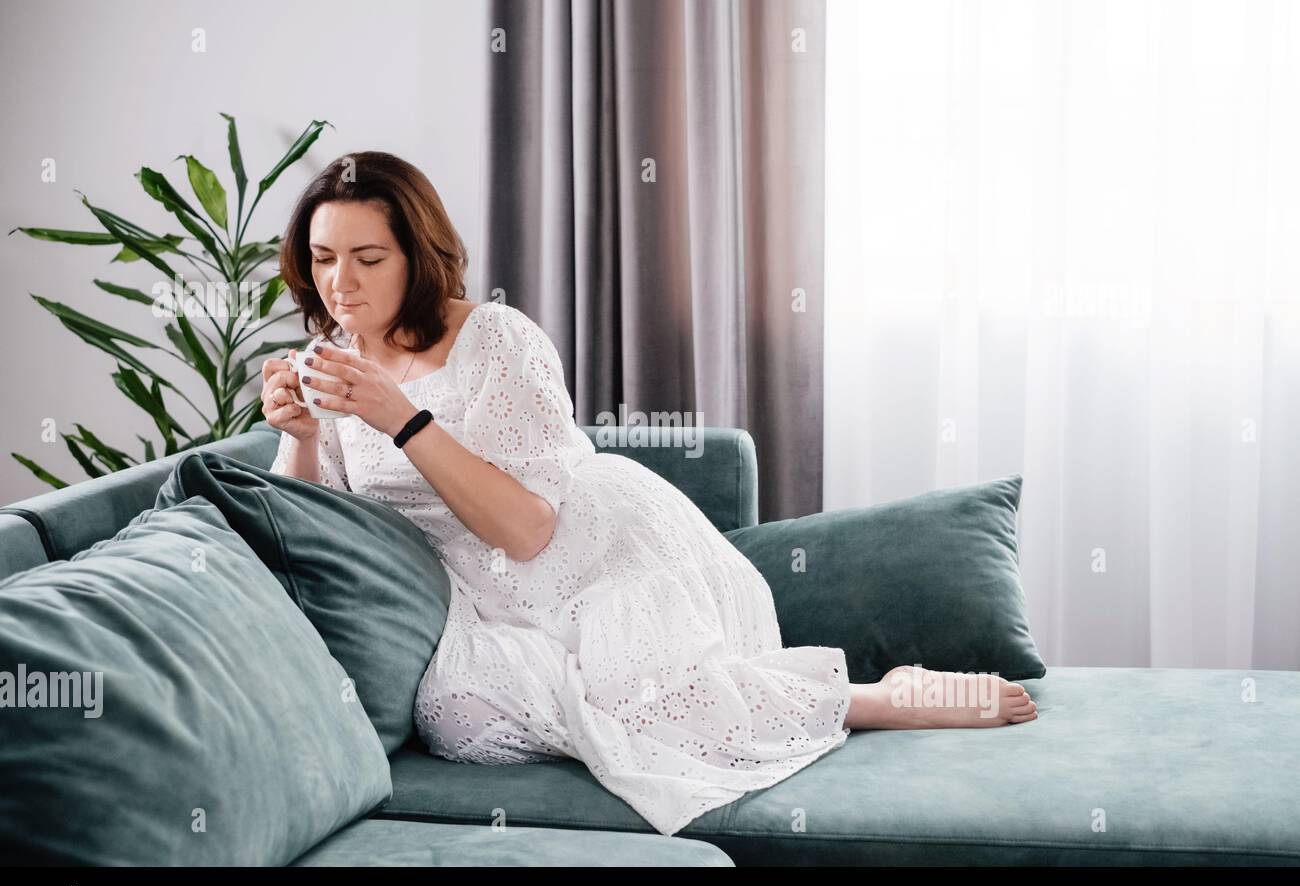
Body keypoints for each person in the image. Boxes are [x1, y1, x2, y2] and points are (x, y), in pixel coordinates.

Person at [260, 152, 1037, 837]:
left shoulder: (495, 338)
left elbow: (529, 529)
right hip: (471, 589)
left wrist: (402, 419)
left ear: (418, 257)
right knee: (457, 717)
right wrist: (296, 433)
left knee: (647, 691)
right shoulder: (332, 361)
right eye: (323, 259)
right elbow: (314, 525)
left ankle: (877, 698)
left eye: (368, 257)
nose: (341, 283)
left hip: (579, 549)